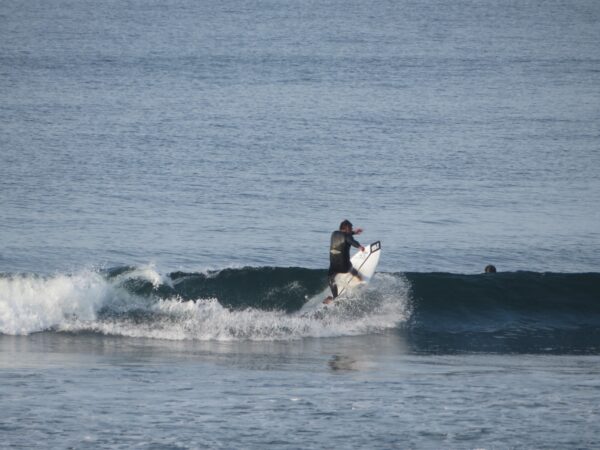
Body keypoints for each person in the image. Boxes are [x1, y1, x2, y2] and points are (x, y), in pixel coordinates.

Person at [323, 220, 365, 304]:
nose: (352, 228)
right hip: (344, 267)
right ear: (347, 228)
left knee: (331, 279)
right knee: (350, 268)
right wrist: (359, 246)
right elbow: (351, 240)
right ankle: (360, 278)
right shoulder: (347, 236)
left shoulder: (334, 234)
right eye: (351, 227)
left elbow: (345, 235)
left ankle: (335, 297)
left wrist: (354, 232)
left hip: (333, 266)